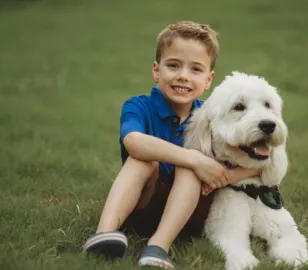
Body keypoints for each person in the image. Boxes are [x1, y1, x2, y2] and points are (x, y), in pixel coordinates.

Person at [82, 21, 260, 269]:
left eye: (195, 69)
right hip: (143, 207)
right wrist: (196, 159)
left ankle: (158, 247)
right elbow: (133, 142)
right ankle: (104, 234)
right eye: (174, 65)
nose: (183, 76)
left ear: (209, 80)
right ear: (157, 70)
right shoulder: (138, 106)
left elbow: (260, 164)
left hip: (191, 214)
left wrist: (225, 176)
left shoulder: (212, 115)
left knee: (188, 171)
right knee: (143, 161)